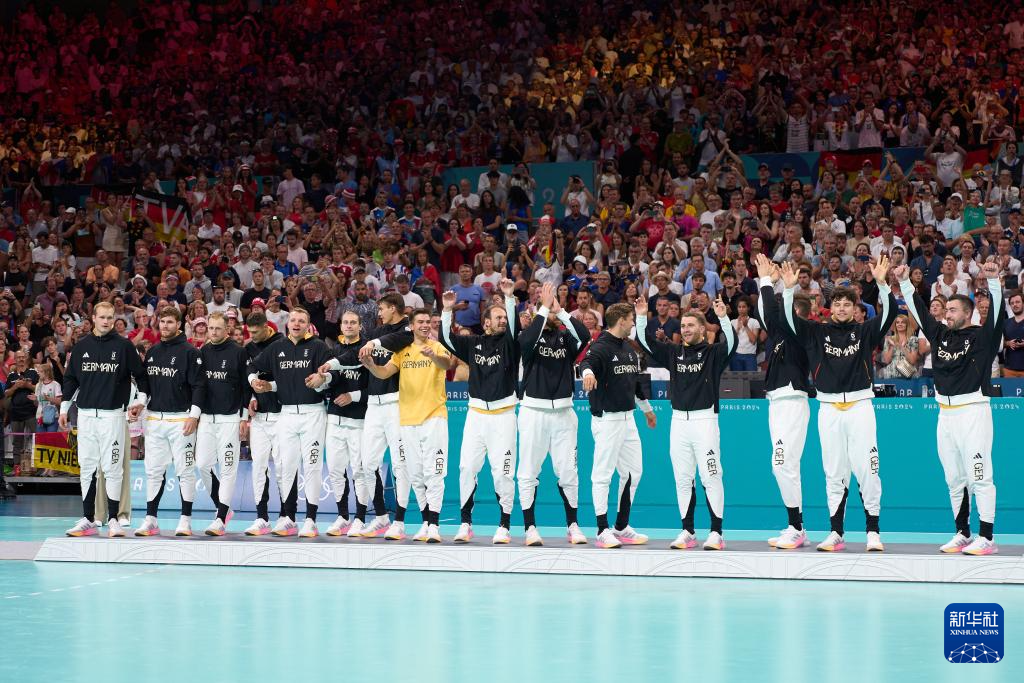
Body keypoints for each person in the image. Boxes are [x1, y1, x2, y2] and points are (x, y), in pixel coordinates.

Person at [781, 257, 897, 552]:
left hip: (860, 407)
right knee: (834, 472)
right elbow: (788, 321)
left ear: (855, 309)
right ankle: (836, 532)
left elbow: (890, 314)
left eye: (847, 304)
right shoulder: (815, 332)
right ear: (829, 308)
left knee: (868, 470)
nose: (842, 308)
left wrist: (882, 285)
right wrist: (788, 290)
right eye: (838, 304)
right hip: (829, 409)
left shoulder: (865, 331)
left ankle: (873, 532)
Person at [897, 262, 1004, 556]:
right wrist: (905, 282)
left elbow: (997, 316)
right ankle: (962, 533)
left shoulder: (982, 337)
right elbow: (920, 311)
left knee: (980, 476)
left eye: (953, 310)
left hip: (973, 411)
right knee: (954, 478)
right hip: (944, 414)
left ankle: (987, 537)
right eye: (946, 310)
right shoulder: (940, 335)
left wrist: (994, 281)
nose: (947, 314)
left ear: (968, 313)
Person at [636, 293, 736, 550]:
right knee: (682, 478)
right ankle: (687, 531)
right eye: (683, 326)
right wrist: (640, 317)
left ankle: (716, 533)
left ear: (702, 329)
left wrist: (724, 318)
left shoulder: (713, 353)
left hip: (705, 421)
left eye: (691, 325)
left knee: (711, 476)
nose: (686, 329)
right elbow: (646, 343)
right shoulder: (673, 352)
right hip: (679, 422)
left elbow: (732, 343)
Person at [318, 292, 412, 540]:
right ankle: (381, 516)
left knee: (400, 465)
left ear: (393, 308)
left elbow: (397, 339)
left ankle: (399, 521)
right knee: (367, 464)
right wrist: (333, 364)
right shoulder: (376, 333)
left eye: (381, 309)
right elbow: (355, 355)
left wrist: (374, 344)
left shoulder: (407, 331)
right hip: (374, 407)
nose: (379, 313)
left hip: (396, 404)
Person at [360, 309, 453, 543]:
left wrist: (433, 356)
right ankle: (425, 522)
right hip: (408, 420)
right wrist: (370, 365)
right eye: (420, 322)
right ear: (411, 326)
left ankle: (434, 525)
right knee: (416, 474)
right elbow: (384, 373)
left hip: (434, 418)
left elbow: (446, 364)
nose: (425, 325)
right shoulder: (402, 351)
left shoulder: (437, 346)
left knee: (434, 473)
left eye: (427, 322)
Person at [439, 279, 519, 544]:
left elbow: (514, 326)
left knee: (503, 472)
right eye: (498, 318)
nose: (503, 321)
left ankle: (504, 525)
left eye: (504, 317)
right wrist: (447, 310)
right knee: (466, 468)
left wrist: (509, 298)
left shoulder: (510, 344)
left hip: (504, 415)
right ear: (485, 322)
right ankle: (465, 523)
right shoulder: (472, 343)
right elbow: (447, 339)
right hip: (476, 416)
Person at [61, 301, 149, 538]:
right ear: (94, 318)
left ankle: (114, 520)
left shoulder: (124, 346)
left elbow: (141, 376)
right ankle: (88, 519)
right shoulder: (81, 347)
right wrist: (64, 409)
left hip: (113, 417)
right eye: (102, 317)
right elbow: (70, 380)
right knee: (87, 468)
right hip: (86, 416)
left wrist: (141, 400)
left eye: (110, 317)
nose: (106, 321)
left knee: (113, 469)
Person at [249, 308, 333, 538]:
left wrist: (322, 379)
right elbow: (253, 367)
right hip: (286, 415)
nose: (296, 324)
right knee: (286, 467)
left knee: (312, 466)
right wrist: (256, 382)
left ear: (308, 325)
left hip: (313, 414)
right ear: (287, 324)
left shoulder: (318, 347)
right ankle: (289, 519)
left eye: (301, 321)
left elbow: (332, 375)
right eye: (293, 320)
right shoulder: (277, 348)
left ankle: (311, 520)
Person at [579, 302, 657, 549]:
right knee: (602, 475)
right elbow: (586, 363)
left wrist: (647, 410)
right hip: (607, 420)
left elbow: (635, 384)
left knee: (634, 472)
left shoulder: (629, 349)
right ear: (621, 320)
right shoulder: (600, 346)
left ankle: (621, 527)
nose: (634, 322)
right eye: (631, 318)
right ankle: (602, 530)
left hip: (628, 418)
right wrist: (588, 374)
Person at [753, 254, 814, 550]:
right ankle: (797, 526)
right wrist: (767, 283)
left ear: (795, 312)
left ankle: (796, 527)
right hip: (777, 401)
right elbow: (764, 312)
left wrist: (767, 280)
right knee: (787, 466)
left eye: (784, 307)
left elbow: (771, 312)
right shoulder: (778, 335)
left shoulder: (801, 331)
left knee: (781, 464)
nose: (777, 312)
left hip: (791, 401)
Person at [134, 306, 206, 537]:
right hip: (155, 419)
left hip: (181, 420)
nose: (165, 326)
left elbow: (199, 386)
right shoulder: (153, 351)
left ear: (179, 324)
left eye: (170, 322)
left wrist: (194, 415)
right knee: (153, 471)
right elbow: (146, 384)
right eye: (162, 322)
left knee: (185, 471)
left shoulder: (190, 352)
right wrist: (140, 403)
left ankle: (185, 520)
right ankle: (150, 519)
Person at [306, 311, 369, 536]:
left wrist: (354, 396)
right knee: (334, 470)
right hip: (334, 419)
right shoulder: (333, 352)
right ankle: (343, 516)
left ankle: (360, 518)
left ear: (360, 326)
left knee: (359, 471)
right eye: (346, 323)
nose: (349, 326)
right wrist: (321, 382)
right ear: (341, 326)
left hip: (359, 420)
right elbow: (332, 381)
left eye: (353, 322)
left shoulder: (367, 350)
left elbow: (376, 387)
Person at [195, 313, 251, 536]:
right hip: (207, 419)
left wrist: (244, 418)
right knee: (202, 464)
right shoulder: (203, 352)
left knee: (228, 469)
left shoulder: (238, 352)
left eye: (218, 328)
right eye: (211, 328)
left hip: (230, 419)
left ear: (227, 329)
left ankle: (220, 517)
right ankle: (223, 507)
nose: (214, 332)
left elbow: (246, 388)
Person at [241, 313, 285, 536]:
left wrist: (270, 386)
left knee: (283, 468)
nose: (252, 336)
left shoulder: (282, 344)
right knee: (258, 467)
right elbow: (247, 380)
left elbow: (290, 379)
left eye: (256, 332)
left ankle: (286, 516)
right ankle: (262, 518)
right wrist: (251, 398)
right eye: (249, 332)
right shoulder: (249, 348)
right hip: (259, 418)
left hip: (282, 416)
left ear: (267, 327)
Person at [5, 351, 38, 475]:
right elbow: (6, 394)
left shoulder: (33, 372)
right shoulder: (11, 375)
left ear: (27, 358)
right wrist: (16, 387)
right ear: (15, 359)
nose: (21, 359)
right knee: (17, 442)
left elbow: (39, 388)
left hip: (31, 411)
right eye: (19, 357)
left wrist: (27, 385)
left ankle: (37, 466)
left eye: (23, 357)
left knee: (37, 439)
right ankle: (17, 467)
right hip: (15, 412)